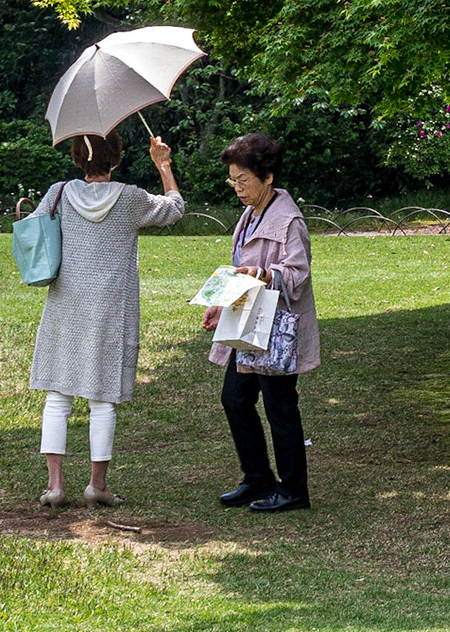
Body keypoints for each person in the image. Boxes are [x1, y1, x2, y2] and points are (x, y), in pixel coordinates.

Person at [29, 129, 183, 508]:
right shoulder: (130, 198)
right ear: (114, 159)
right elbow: (174, 209)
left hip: (67, 301)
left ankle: (55, 486)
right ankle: (97, 484)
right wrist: (163, 164)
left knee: (58, 395)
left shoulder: (59, 193)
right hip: (111, 306)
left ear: (77, 159)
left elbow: (34, 228)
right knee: (102, 401)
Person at [203, 132, 318, 513]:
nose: (237, 188)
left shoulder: (290, 221)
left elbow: (298, 272)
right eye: (233, 180)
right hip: (248, 326)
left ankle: (293, 491)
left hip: (277, 329)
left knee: (280, 405)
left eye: (244, 180)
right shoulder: (250, 214)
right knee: (234, 398)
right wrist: (220, 304)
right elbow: (238, 269)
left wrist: (267, 273)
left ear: (268, 177)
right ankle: (257, 479)